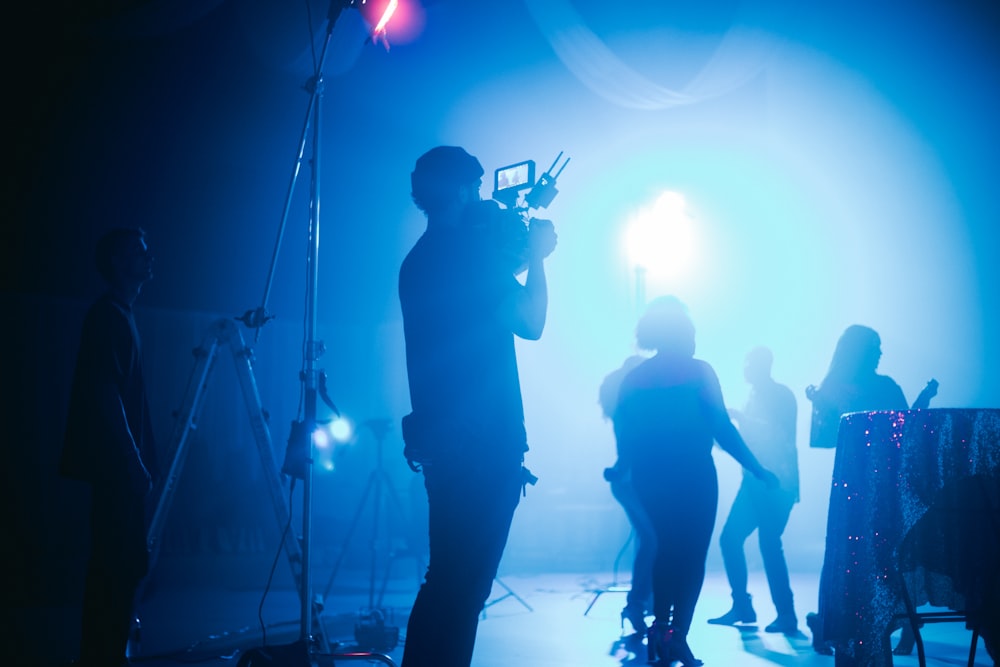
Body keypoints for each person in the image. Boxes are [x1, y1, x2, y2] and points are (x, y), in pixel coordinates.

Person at [397, 145, 557, 667]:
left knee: (444, 582)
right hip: (485, 445)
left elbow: (475, 300)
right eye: (479, 188)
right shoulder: (470, 257)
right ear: (465, 189)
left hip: (443, 443)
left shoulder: (419, 261)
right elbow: (531, 321)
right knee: (465, 594)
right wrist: (536, 256)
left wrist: (514, 250)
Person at [612, 296, 778, 667]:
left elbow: (625, 431)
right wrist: (756, 467)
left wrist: (624, 465)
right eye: (691, 330)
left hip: (651, 476)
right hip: (694, 474)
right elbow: (722, 426)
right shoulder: (699, 371)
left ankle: (661, 629)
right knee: (692, 556)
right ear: (682, 333)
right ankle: (678, 636)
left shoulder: (636, 378)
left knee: (666, 549)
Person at [803, 324, 937, 655]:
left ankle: (837, 625)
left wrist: (824, 402)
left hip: (869, 482)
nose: (880, 352)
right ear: (859, 351)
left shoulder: (856, 386)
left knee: (872, 552)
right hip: (863, 482)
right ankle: (889, 625)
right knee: (878, 551)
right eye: (874, 346)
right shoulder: (853, 387)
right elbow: (827, 437)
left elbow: (905, 425)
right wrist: (822, 404)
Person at [59, 227, 160, 667]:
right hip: (116, 471)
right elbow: (106, 393)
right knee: (114, 571)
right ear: (120, 263)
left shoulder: (121, 315)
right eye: (139, 252)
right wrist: (134, 462)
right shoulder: (108, 317)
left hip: (120, 471)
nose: (148, 257)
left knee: (123, 568)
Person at [707, 346, 800, 634]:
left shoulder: (782, 396)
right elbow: (746, 442)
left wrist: (739, 421)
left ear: (761, 366)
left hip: (777, 483)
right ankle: (743, 606)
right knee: (730, 539)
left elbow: (777, 434)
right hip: (754, 483)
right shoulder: (753, 398)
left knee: (769, 543)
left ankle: (786, 614)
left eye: (749, 363)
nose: (745, 368)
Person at [598, 355, 656, 639]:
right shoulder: (630, 410)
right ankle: (638, 603)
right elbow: (629, 449)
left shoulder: (623, 409)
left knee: (649, 541)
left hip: (627, 481)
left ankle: (641, 603)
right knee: (654, 540)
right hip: (632, 480)